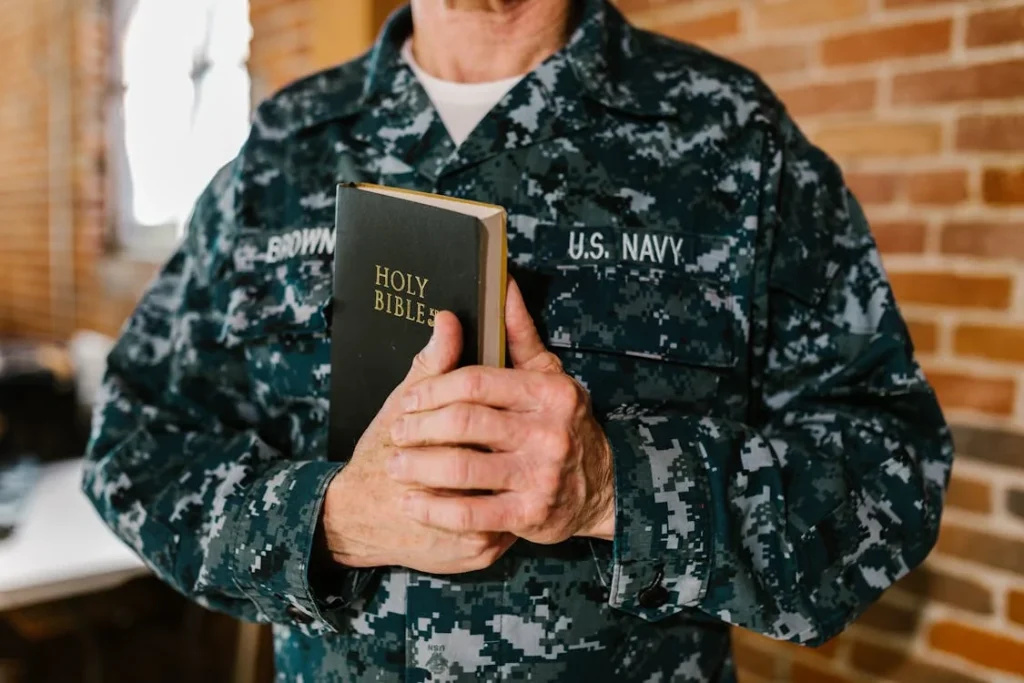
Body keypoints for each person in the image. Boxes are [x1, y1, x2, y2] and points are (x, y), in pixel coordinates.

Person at [83, 0, 954, 680]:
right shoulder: (283, 150)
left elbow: (893, 467)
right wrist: (334, 519)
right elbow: (134, 446)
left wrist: (616, 488)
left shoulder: (730, 138)